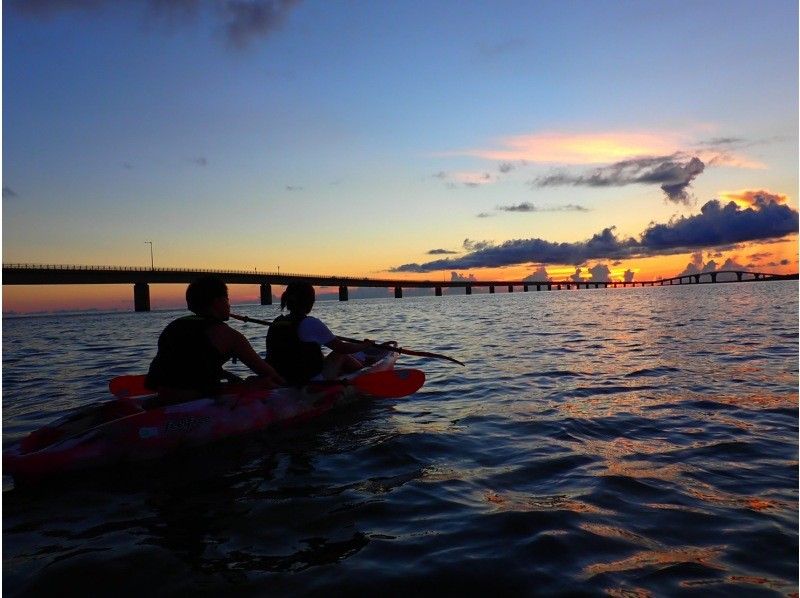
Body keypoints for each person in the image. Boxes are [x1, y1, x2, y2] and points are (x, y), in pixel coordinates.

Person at [146, 276, 284, 403]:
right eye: (227, 299)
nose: (229, 304)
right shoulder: (229, 335)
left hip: (164, 396)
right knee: (262, 381)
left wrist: (222, 373)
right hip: (192, 402)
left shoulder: (173, 326)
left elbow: (186, 364)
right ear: (217, 302)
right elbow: (270, 374)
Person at [266, 282, 373, 385]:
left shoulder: (277, 323)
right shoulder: (310, 322)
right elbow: (342, 348)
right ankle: (365, 372)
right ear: (309, 301)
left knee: (317, 353)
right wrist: (364, 346)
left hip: (284, 379)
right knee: (339, 354)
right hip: (310, 382)